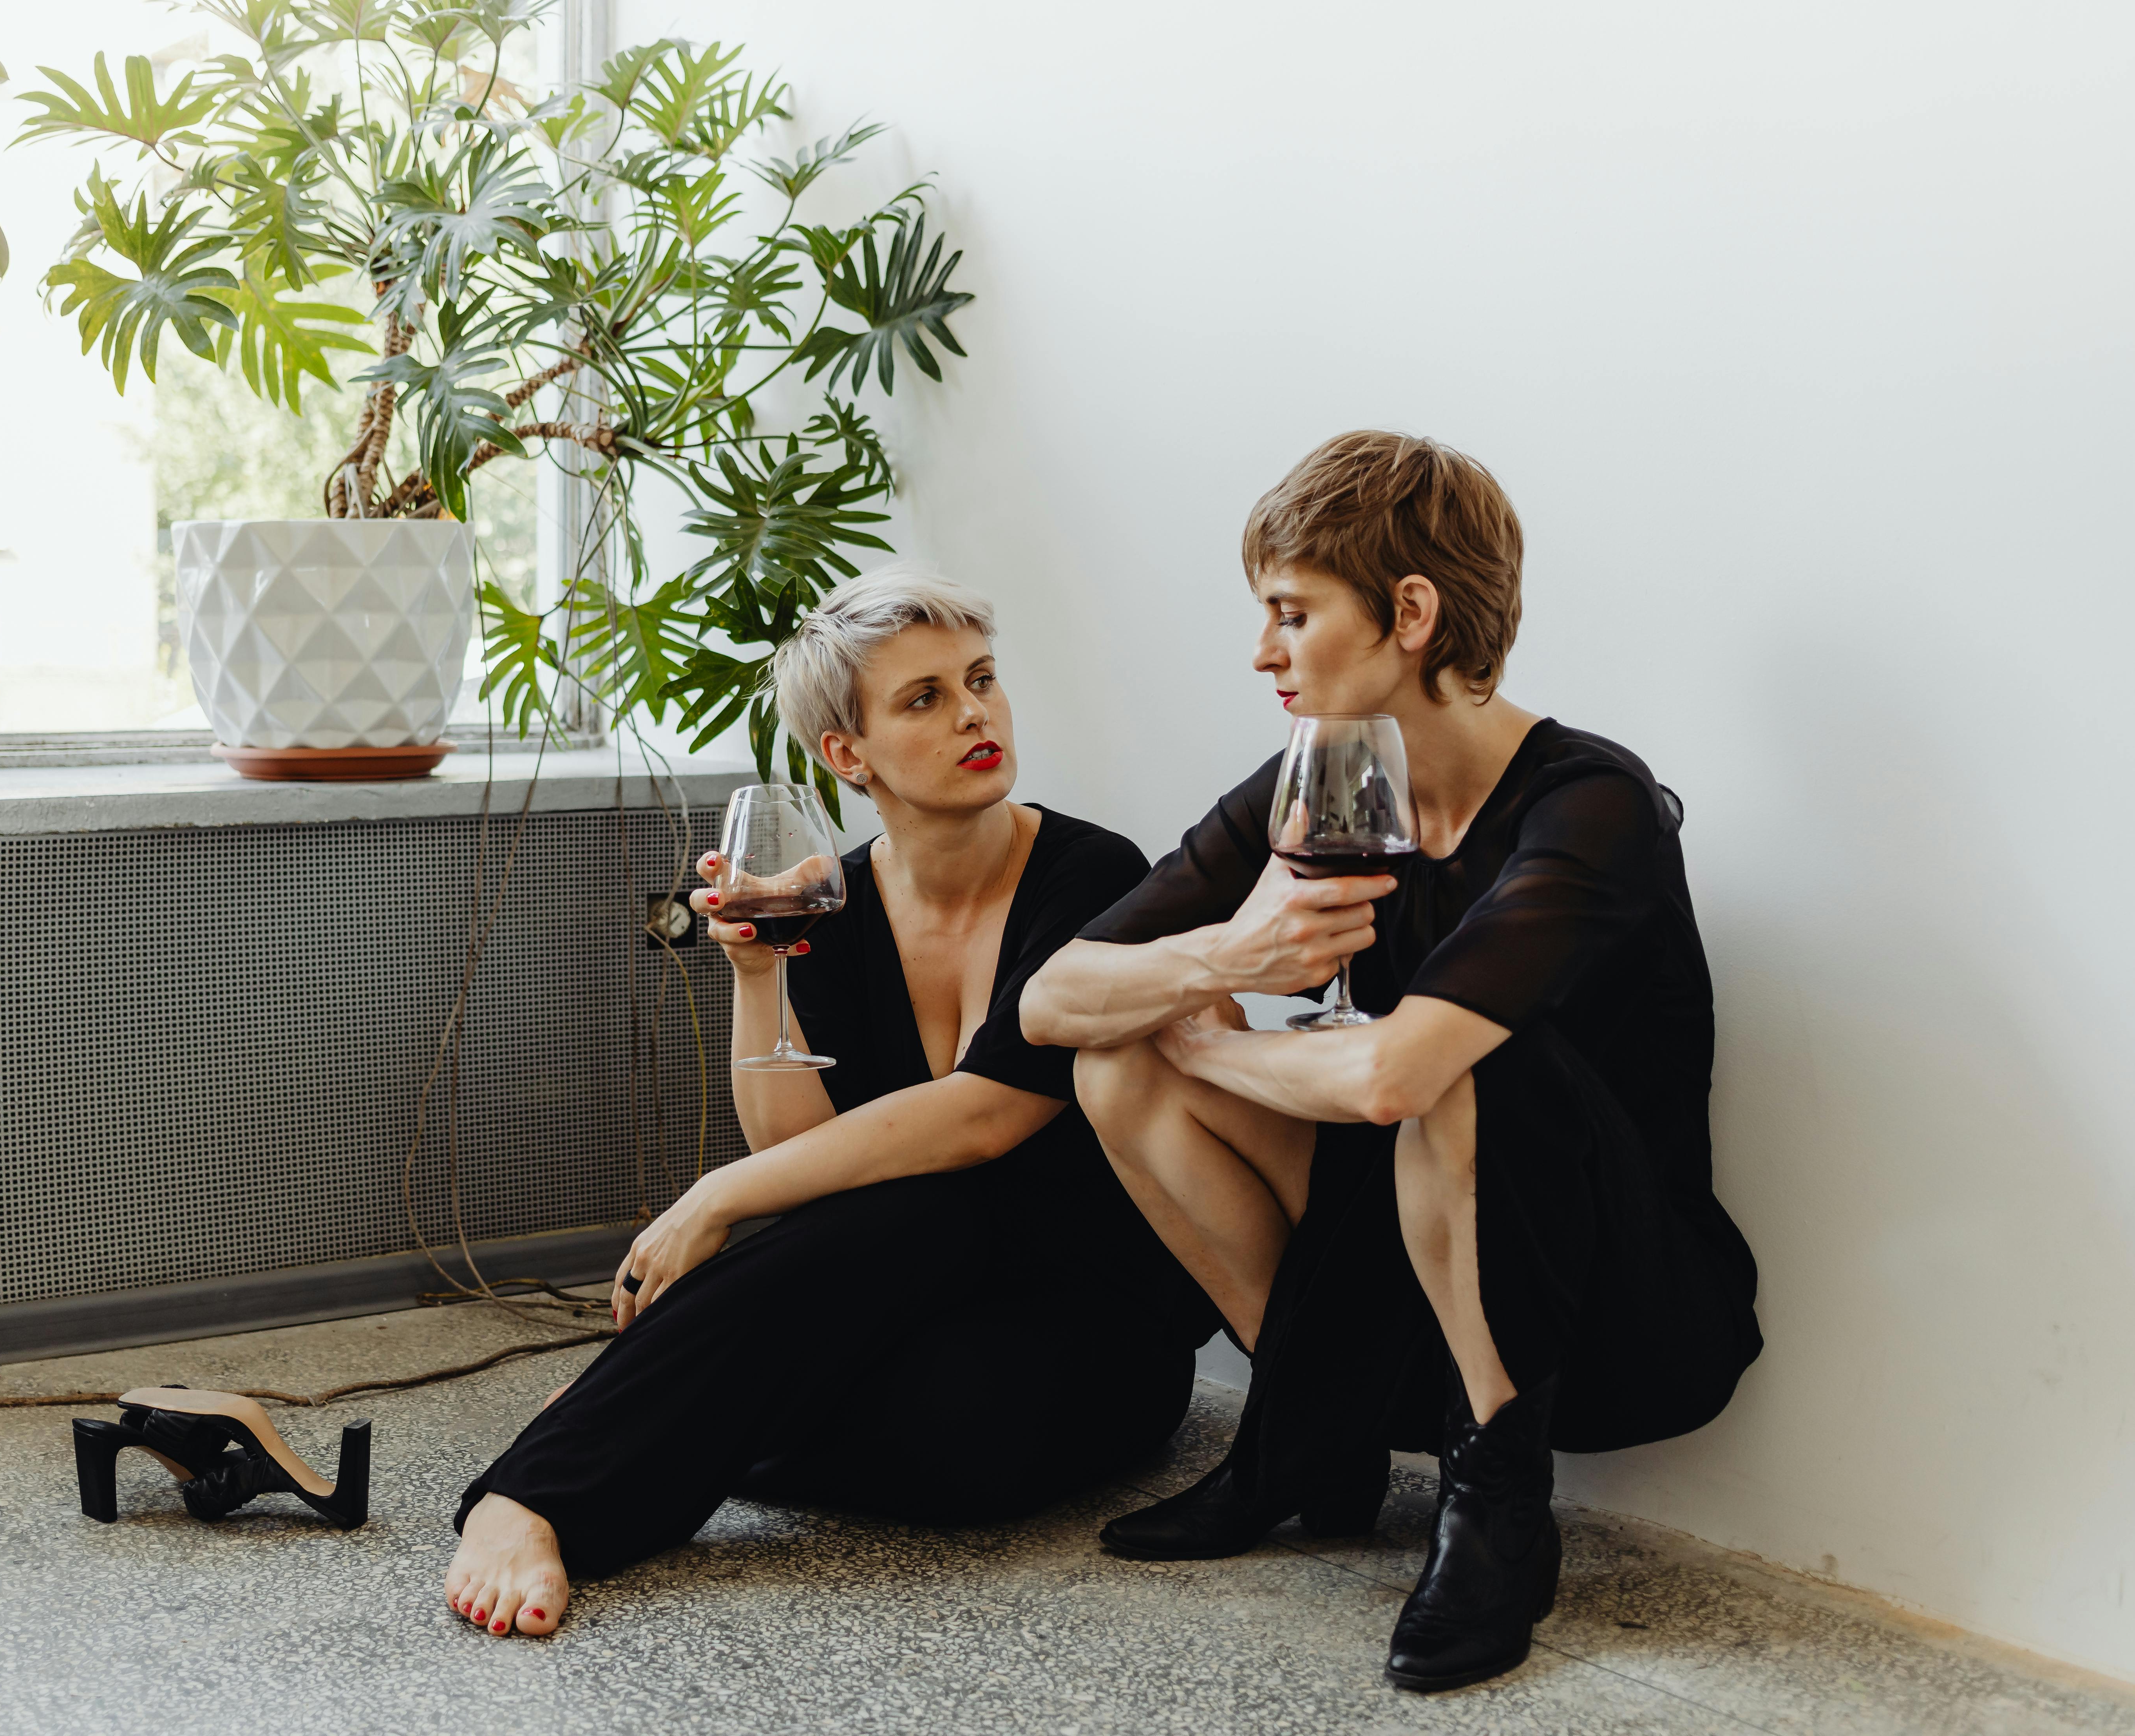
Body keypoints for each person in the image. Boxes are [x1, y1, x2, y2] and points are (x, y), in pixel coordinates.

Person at [1022, 431, 1761, 1693]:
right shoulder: (1328, 778)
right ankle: (1316, 1436)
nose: (1263, 653)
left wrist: (1209, 1036)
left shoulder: (1593, 805)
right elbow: (1051, 1002)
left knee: (1470, 1066)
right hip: (1400, 1265)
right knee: (1115, 1064)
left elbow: (1393, 1080)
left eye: (1292, 613)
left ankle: (1497, 1508)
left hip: (1617, 1307)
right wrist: (1221, 963)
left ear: (1411, 613)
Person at [445, 566, 1221, 1637]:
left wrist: (713, 1196)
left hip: (1095, 1301)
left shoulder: (1095, 875)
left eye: (981, 680)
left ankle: (654, 1400)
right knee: (910, 1211)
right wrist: (757, 977)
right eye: (926, 699)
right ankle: (528, 1495)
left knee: (963, 1443)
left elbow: (990, 1116)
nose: (975, 714)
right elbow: (803, 1150)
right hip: (908, 1278)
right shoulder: (837, 902)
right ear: (846, 756)